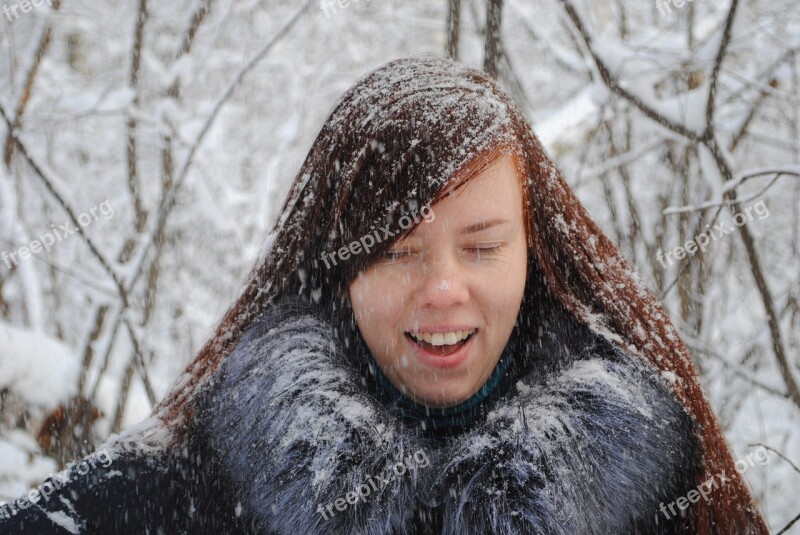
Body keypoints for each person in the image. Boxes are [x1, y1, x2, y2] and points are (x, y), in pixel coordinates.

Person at [0, 54, 769, 534]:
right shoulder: (186, 486)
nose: (443, 288)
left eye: (483, 246)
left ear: (535, 254)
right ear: (339, 267)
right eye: (398, 250)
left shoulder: (673, 489)